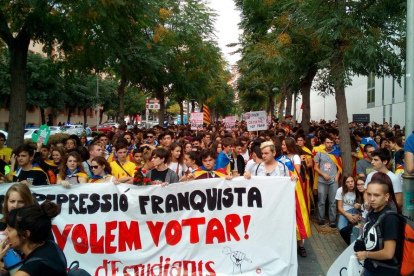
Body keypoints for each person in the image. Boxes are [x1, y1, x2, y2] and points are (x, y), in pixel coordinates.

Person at [1, 201, 67, 276]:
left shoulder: (30, 269)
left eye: (9, 229)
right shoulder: (51, 245)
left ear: (25, 234)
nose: (4, 232)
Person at [354, 178, 403, 276]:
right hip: (371, 268)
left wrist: (366, 254)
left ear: (386, 196)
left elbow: (388, 253)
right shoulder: (372, 213)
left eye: (376, 195)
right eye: (369, 194)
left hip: (385, 272)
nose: (372, 199)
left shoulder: (390, 219)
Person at [314, 136, 342, 229]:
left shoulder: (337, 153)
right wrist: (323, 174)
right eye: (328, 142)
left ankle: (332, 220)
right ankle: (321, 219)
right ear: (324, 143)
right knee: (321, 201)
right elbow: (315, 167)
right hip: (322, 180)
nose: (329, 144)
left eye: (331, 142)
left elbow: (340, 166)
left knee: (333, 201)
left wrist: (337, 176)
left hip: (333, 181)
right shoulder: (320, 153)